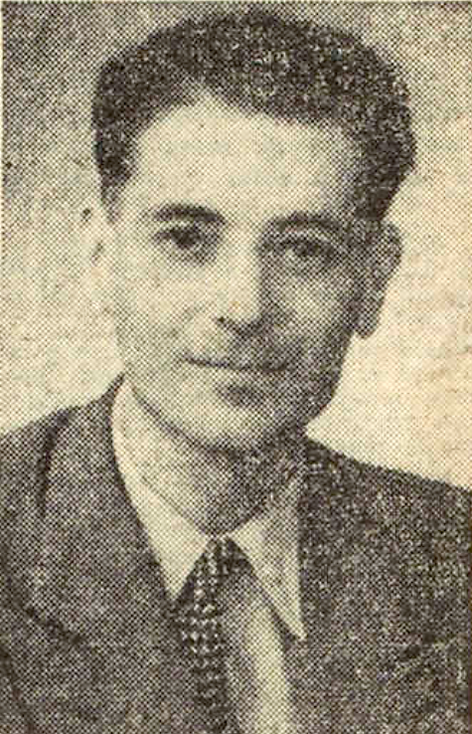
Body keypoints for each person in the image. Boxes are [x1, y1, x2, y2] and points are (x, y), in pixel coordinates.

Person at [0, 9, 470, 734]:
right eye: (187, 239)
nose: (244, 307)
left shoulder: (451, 554)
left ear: (374, 279)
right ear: (101, 257)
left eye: (305, 250)